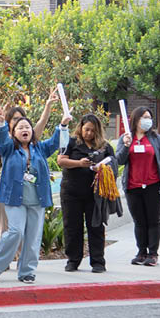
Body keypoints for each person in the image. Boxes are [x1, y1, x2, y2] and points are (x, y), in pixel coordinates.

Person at [0, 105, 70, 283]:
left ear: (31, 131)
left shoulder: (40, 148)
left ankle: (26, 271)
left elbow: (56, 142)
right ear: (14, 132)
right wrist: (1, 123)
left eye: (27, 127)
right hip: (14, 199)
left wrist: (62, 125)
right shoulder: (9, 147)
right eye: (20, 128)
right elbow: (1, 139)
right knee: (15, 232)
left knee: (33, 237)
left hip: (36, 199)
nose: (24, 130)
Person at [0, 93, 58, 236]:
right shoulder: (2, 139)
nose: (19, 122)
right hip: (8, 186)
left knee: (23, 229)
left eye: (21, 118)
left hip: (28, 188)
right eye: (15, 119)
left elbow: (42, 122)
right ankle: (5, 255)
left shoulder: (30, 139)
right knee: (6, 226)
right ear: (9, 121)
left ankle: (21, 256)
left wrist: (48, 105)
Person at [57, 114, 117, 273]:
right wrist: (79, 163)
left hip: (94, 194)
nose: (89, 133)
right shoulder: (71, 142)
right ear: (80, 128)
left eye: (93, 131)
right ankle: (73, 260)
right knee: (72, 226)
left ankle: (98, 261)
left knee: (96, 226)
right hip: (72, 192)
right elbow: (61, 160)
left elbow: (114, 162)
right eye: (86, 129)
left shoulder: (104, 146)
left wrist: (103, 169)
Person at [115, 107, 160, 267]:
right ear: (136, 119)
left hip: (153, 186)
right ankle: (141, 252)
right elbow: (119, 160)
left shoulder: (156, 139)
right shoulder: (126, 138)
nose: (148, 120)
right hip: (133, 186)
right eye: (144, 117)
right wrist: (126, 145)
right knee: (139, 221)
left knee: (153, 221)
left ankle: (153, 254)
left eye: (149, 117)